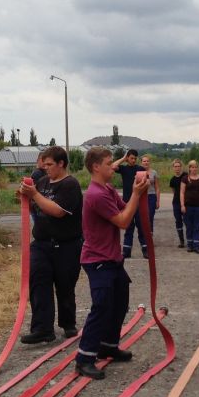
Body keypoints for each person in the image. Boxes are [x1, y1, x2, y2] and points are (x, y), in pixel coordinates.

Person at [76, 146, 150, 380]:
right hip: (98, 260)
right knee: (101, 307)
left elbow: (124, 208)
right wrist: (137, 194)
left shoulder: (107, 189)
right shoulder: (95, 195)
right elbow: (123, 221)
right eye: (109, 163)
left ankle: (107, 346)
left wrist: (138, 192)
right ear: (96, 167)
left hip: (111, 258)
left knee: (119, 303)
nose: (113, 167)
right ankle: (84, 359)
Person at [19, 146, 82, 344]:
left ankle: (68, 323)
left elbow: (58, 211)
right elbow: (35, 204)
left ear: (61, 163)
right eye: (44, 164)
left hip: (66, 245)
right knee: (39, 284)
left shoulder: (70, 185)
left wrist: (35, 195)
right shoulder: (43, 182)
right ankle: (42, 329)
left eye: (49, 164)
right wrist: (24, 196)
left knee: (65, 286)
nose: (45, 168)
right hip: (41, 243)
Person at [112, 149, 148, 258]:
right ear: (128, 158)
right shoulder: (123, 169)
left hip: (139, 203)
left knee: (141, 227)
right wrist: (123, 158)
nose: (133, 160)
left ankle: (145, 250)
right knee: (128, 227)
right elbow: (113, 166)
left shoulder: (140, 169)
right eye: (131, 158)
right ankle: (126, 251)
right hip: (126, 203)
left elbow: (146, 182)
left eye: (135, 158)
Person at [180, 160, 199, 253]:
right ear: (189, 168)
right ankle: (190, 245)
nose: (194, 169)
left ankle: (197, 246)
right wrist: (182, 205)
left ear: (198, 168)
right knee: (189, 226)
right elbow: (182, 193)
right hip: (188, 206)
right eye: (192, 167)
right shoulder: (185, 179)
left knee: (198, 226)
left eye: (196, 167)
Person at [140, 154, 161, 236]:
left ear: (149, 162)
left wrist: (157, 201)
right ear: (141, 162)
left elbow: (157, 188)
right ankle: (144, 235)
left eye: (147, 161)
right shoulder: (138, 172)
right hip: (142, 196)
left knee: (150, 215)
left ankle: (150, 234)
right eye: (144, 161)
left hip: (151, 196)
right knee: (142, 216)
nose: (146, 162)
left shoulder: (154, 172)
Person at [168, 159, 186, 248]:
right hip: (176, 203)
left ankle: (190, 239)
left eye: (179, 166)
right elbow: (174, 191)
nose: (177, 168)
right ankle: (182, 241)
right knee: (178, 221)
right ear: (173, 168)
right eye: (175, 166)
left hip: (186, 202)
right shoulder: (172, 180)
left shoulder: (185, 176)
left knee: (187, 220)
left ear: (181, 167)